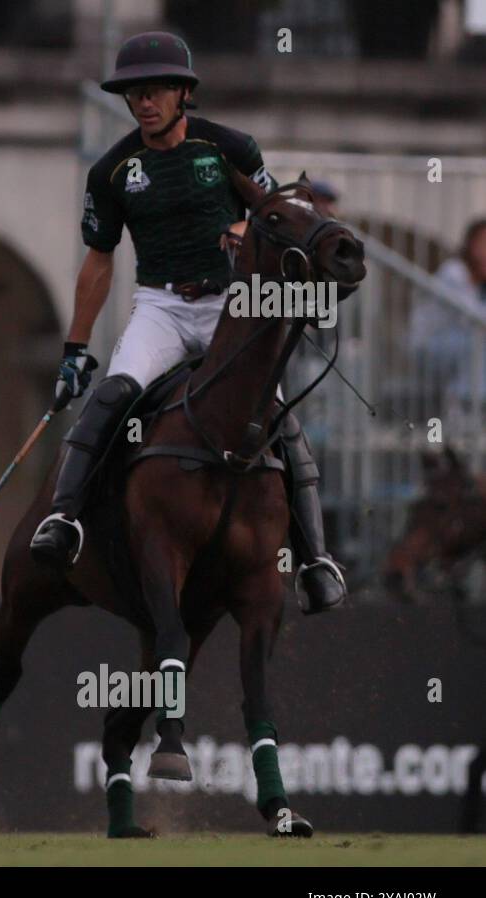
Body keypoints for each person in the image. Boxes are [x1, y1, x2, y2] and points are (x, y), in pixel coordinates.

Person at [29, 32, 346, 613]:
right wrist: (75, 348)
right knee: (114, 393)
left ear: (183, 93)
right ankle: (63, 519)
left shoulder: (232, 148)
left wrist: (246, 231)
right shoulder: (112, 171)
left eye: (154, 91)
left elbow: (274, 218)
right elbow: (99, 262)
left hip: (232, 304)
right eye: (133, 94)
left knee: (274, 413)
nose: (143, 102)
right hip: (162, 306)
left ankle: (315, 559)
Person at [409, 218, 486, 407]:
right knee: (477, 341)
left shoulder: (480, 282)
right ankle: (467, 403)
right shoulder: (453, 271)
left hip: (458, 346)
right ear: (471, 244)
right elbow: (472, 317)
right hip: (429, 347)